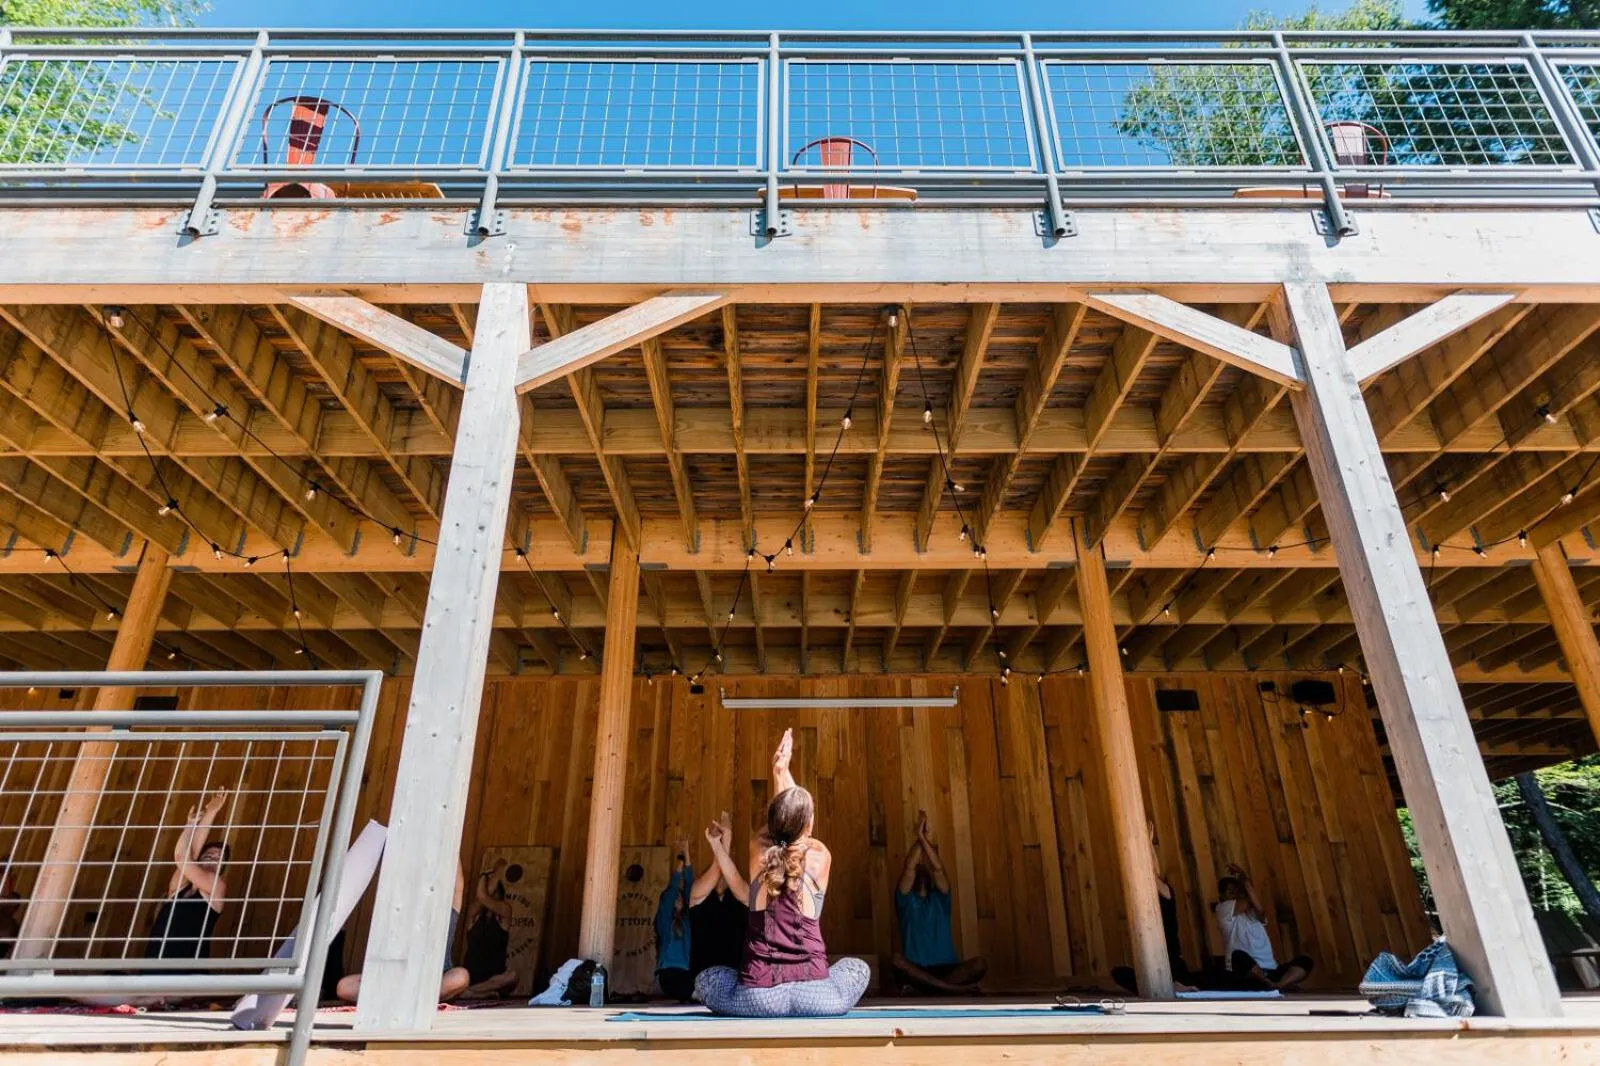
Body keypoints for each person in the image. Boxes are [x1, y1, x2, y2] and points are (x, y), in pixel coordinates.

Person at [694, 728, 870, 1017]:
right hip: (817, 998)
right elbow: (791, 830)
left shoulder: (759, 853)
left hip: (758, 999)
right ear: (809, 825)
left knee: (709, 978)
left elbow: (780, 832)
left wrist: (779, 772)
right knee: (857, 968)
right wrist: (782, 772)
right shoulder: (819, 858)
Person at [337, 866, 471, 1003]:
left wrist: (454, 846)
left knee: (461, 977)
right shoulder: (401, 912)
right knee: (345, 987)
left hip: (433, 981)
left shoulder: (446, 914)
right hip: (398, 980)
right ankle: (408, 998)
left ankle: (403, 999)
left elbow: (457, 887)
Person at [889, 810, 986, 994]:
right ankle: (951, 990)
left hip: (946, 969)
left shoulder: (941, 900)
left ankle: (933, 988)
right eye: (919, 868)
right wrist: (919, 838)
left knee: (980, 964)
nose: (921, 868)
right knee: (897, 961)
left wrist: (923, 839)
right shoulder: (905, 901)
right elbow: (910, 866)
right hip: (917, 969)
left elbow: (938, 869)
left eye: (925, 869)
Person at [1111, 821, 1199, 995]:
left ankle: (1175, 984)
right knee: (1118, 973)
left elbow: (1152, 875)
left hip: (1172, 961)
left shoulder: (1167, 893)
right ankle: (1170, 985)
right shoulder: (1150, 900)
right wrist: (1149, 844)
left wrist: (1146, 845)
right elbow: (1154, 873)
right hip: (1154, 961)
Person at [144, 788, 229, 964]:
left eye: (218, 857)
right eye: (209, 854)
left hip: (187, 967)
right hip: (156, 959)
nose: (212, 857)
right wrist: (191, 824)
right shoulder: (180, 889)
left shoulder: (216, 886)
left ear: (222, 868)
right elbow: (190, 855)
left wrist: (210, 814)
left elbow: (183, 857)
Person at [1215, 864, 1313, 991]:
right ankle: (1269, 984)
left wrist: (1245, 881)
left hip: (1270, 969)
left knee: (1305, 960)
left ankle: (1277, 985)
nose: (1235, 895)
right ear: (1222, 896)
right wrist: (1244, 879)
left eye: (1238, 892)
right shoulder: (1223, 909)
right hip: (1248, 972)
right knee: (1239, 956)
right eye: (1230, 892)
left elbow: (1260, 911)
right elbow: (1248, 901)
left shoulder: (1251, 912)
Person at [687, 811, 747, 981]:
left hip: (739, 980)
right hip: (705, 980)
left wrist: (722, 842)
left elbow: (732, 877)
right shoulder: (697, 892)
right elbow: (717, 869)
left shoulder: (744, 892)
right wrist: (721, 842)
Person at [461, 858, 519, 999]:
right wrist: (495, 873)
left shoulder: (504, 912)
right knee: (459, 975)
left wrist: (491, 874)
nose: (491, 897)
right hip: (471, 976)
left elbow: (484, 896)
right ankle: (475, 992)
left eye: (494, 894)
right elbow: (482, 897)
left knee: (512, 976)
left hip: (494, 980)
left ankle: (470, 992)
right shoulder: (473, 916)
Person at [655, 835, 695, 1001]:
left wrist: (686, 853)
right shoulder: (665, 922)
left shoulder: (687, 920)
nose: (678, 897)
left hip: (687, 974)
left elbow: (690, 888)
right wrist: (679, 866)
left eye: (680, 896)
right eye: (675, 897)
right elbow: (671, 892)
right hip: (668, 975)